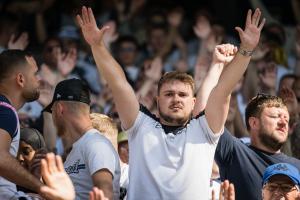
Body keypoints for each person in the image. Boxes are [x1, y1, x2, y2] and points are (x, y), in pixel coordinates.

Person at [77, 6, 265, 199]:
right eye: (169, 94)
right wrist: (97, 46)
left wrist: (246, 49)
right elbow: (118, 83)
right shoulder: (140, 125)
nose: (176, 99)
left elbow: (224, 88)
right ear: (157, 101)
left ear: (194, 103)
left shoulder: (205, 129)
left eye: (182, 95)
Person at [43, 78, 120, 200]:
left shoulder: (96, 144)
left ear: (59, 109)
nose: (52, 118)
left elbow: (105, 194)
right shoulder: (80, 147)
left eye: (52, 111)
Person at [215, 94, 300, 200]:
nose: (283, 123)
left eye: (287, 120)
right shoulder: (234, 151)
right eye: (274, 117)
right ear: (254, 123)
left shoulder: (298, 166)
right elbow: (208, 116)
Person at [0, 49, 44, 199]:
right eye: (35, 74)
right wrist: (42, 188)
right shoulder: (5, 111)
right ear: (20, 79)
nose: (39, 80)